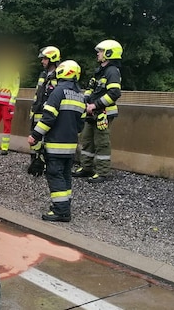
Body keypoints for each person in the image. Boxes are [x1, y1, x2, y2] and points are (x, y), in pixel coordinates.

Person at [28, 60, 86, 222]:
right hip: (71, 146)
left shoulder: (58, 92)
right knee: (66, 175)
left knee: (55, 175)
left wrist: (35, 135)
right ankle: (65, 206)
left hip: (55, 145)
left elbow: (48, 118)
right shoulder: (80, 95)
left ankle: (61, 211)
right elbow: (81, 123)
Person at [72, 39, 123, 183]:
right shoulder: (100, 71)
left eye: (100, 51)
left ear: (108, 53)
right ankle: (86, 168)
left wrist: (95, 105)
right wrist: (87, 101)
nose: (98, 54)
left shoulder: (112, 71)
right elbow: (90, 89)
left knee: (102, 143)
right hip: (92, 112)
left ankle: (103, 172)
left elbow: (114, 93)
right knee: (87, 140)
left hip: (104, 113)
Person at [28, 46, 60, 167]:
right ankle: (35, 161)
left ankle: (45, 162)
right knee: (34, 136)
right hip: (37, 111)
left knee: (46, 139)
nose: (42, 61)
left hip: (48, 113)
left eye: (45, 59)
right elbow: (38, 93)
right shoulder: (43, 74)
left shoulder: (59, 75)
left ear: (52, 59)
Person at [0, 59, 20, 155]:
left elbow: (16, 87)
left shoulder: (14, 71)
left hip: (7, 103)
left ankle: (4, 147)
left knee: (7, 125)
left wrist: (12, 102)